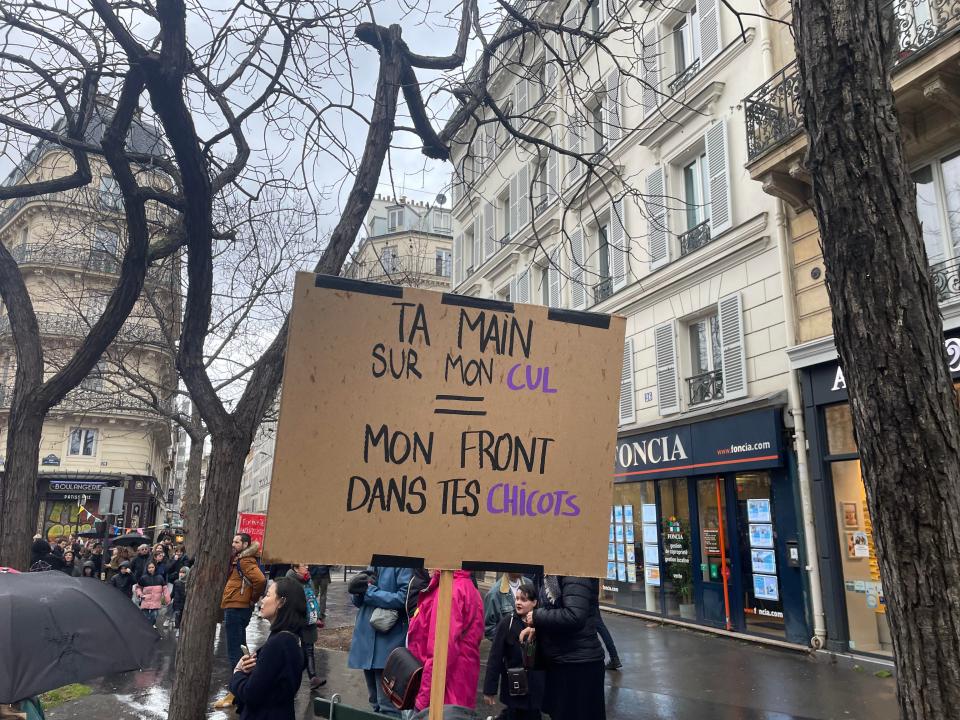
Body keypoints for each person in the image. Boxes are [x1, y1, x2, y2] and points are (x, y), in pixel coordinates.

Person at [519, 576, 605, 720]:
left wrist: (537, 616)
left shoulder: (573, 569)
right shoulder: (550, 573)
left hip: (578, 667)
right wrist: (538, 628)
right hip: (562, 661)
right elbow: (556, 608)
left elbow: (574, 615)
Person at [407, 570, 485, 714]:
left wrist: (422, 700)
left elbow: (441, 653)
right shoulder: (467, 586)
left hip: (446, 692)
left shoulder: (450, 590)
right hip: (461, 685)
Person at [230, 576, 305, 720]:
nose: (262, 600)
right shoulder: (292, 639)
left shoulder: (278, 644)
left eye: (268, 595)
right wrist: (255, 670)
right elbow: (274, 684)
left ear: (282, 602)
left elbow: (250, 694)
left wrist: (237, 673)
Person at [346, 566, 413, 717]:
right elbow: (360, 602)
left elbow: (404, 597)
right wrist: (356, 591)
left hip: (388, 644)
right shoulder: (373, 561)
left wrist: (369, 592)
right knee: (374, 702)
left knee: (388, 706)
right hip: (367, 643)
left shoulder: (403, 563)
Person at [215, 533, 267, 710]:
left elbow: (260, 580)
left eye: (237, 541)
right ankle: (243, 686)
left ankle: (235, 692)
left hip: (237, 608)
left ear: (245, 544)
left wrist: (251, 599)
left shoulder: (244, 560)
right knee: (241, 648)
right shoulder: (240, 559)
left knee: (234, 651)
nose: (233, 543)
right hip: (236, 606)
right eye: (233, 540)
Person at [483, 582, 545, 720]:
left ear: (534, 602)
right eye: (517, 599)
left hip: (536, 689)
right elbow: (495, 658)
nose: (518, 602)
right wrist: (489, 690)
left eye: (524, 599)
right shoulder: (507, 623)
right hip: (514, 687)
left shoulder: (542, 624)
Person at [285, 564, 326, 690]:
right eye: (304, 565)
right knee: (292, 649)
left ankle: (313, 678)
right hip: (295, 619)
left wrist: (317, 615)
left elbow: (312, 599)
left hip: (308, 619)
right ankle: (287, 678)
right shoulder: (290, 580)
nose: (307, 567)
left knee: (308, 648)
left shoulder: (308, 578)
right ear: (296, 568)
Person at [483, 573, 530, 641]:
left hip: (527, 647)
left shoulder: (529, 583)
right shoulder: (494, 594)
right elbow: (489, 629)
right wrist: (509, 641)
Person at [134, 561, 170, 626]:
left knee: (154, 616)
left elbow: (165, 589)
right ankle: (148, 629)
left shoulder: (160, 578)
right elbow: (138, 588)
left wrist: (167, 599)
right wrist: (140, 594)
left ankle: (149, 627)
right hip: (145, 600)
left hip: (156, 601)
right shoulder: (143, 578)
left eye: (152, 567)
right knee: (145, 617)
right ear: (147, 569)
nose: (151, 569)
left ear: (155, 568)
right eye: (149, 567)